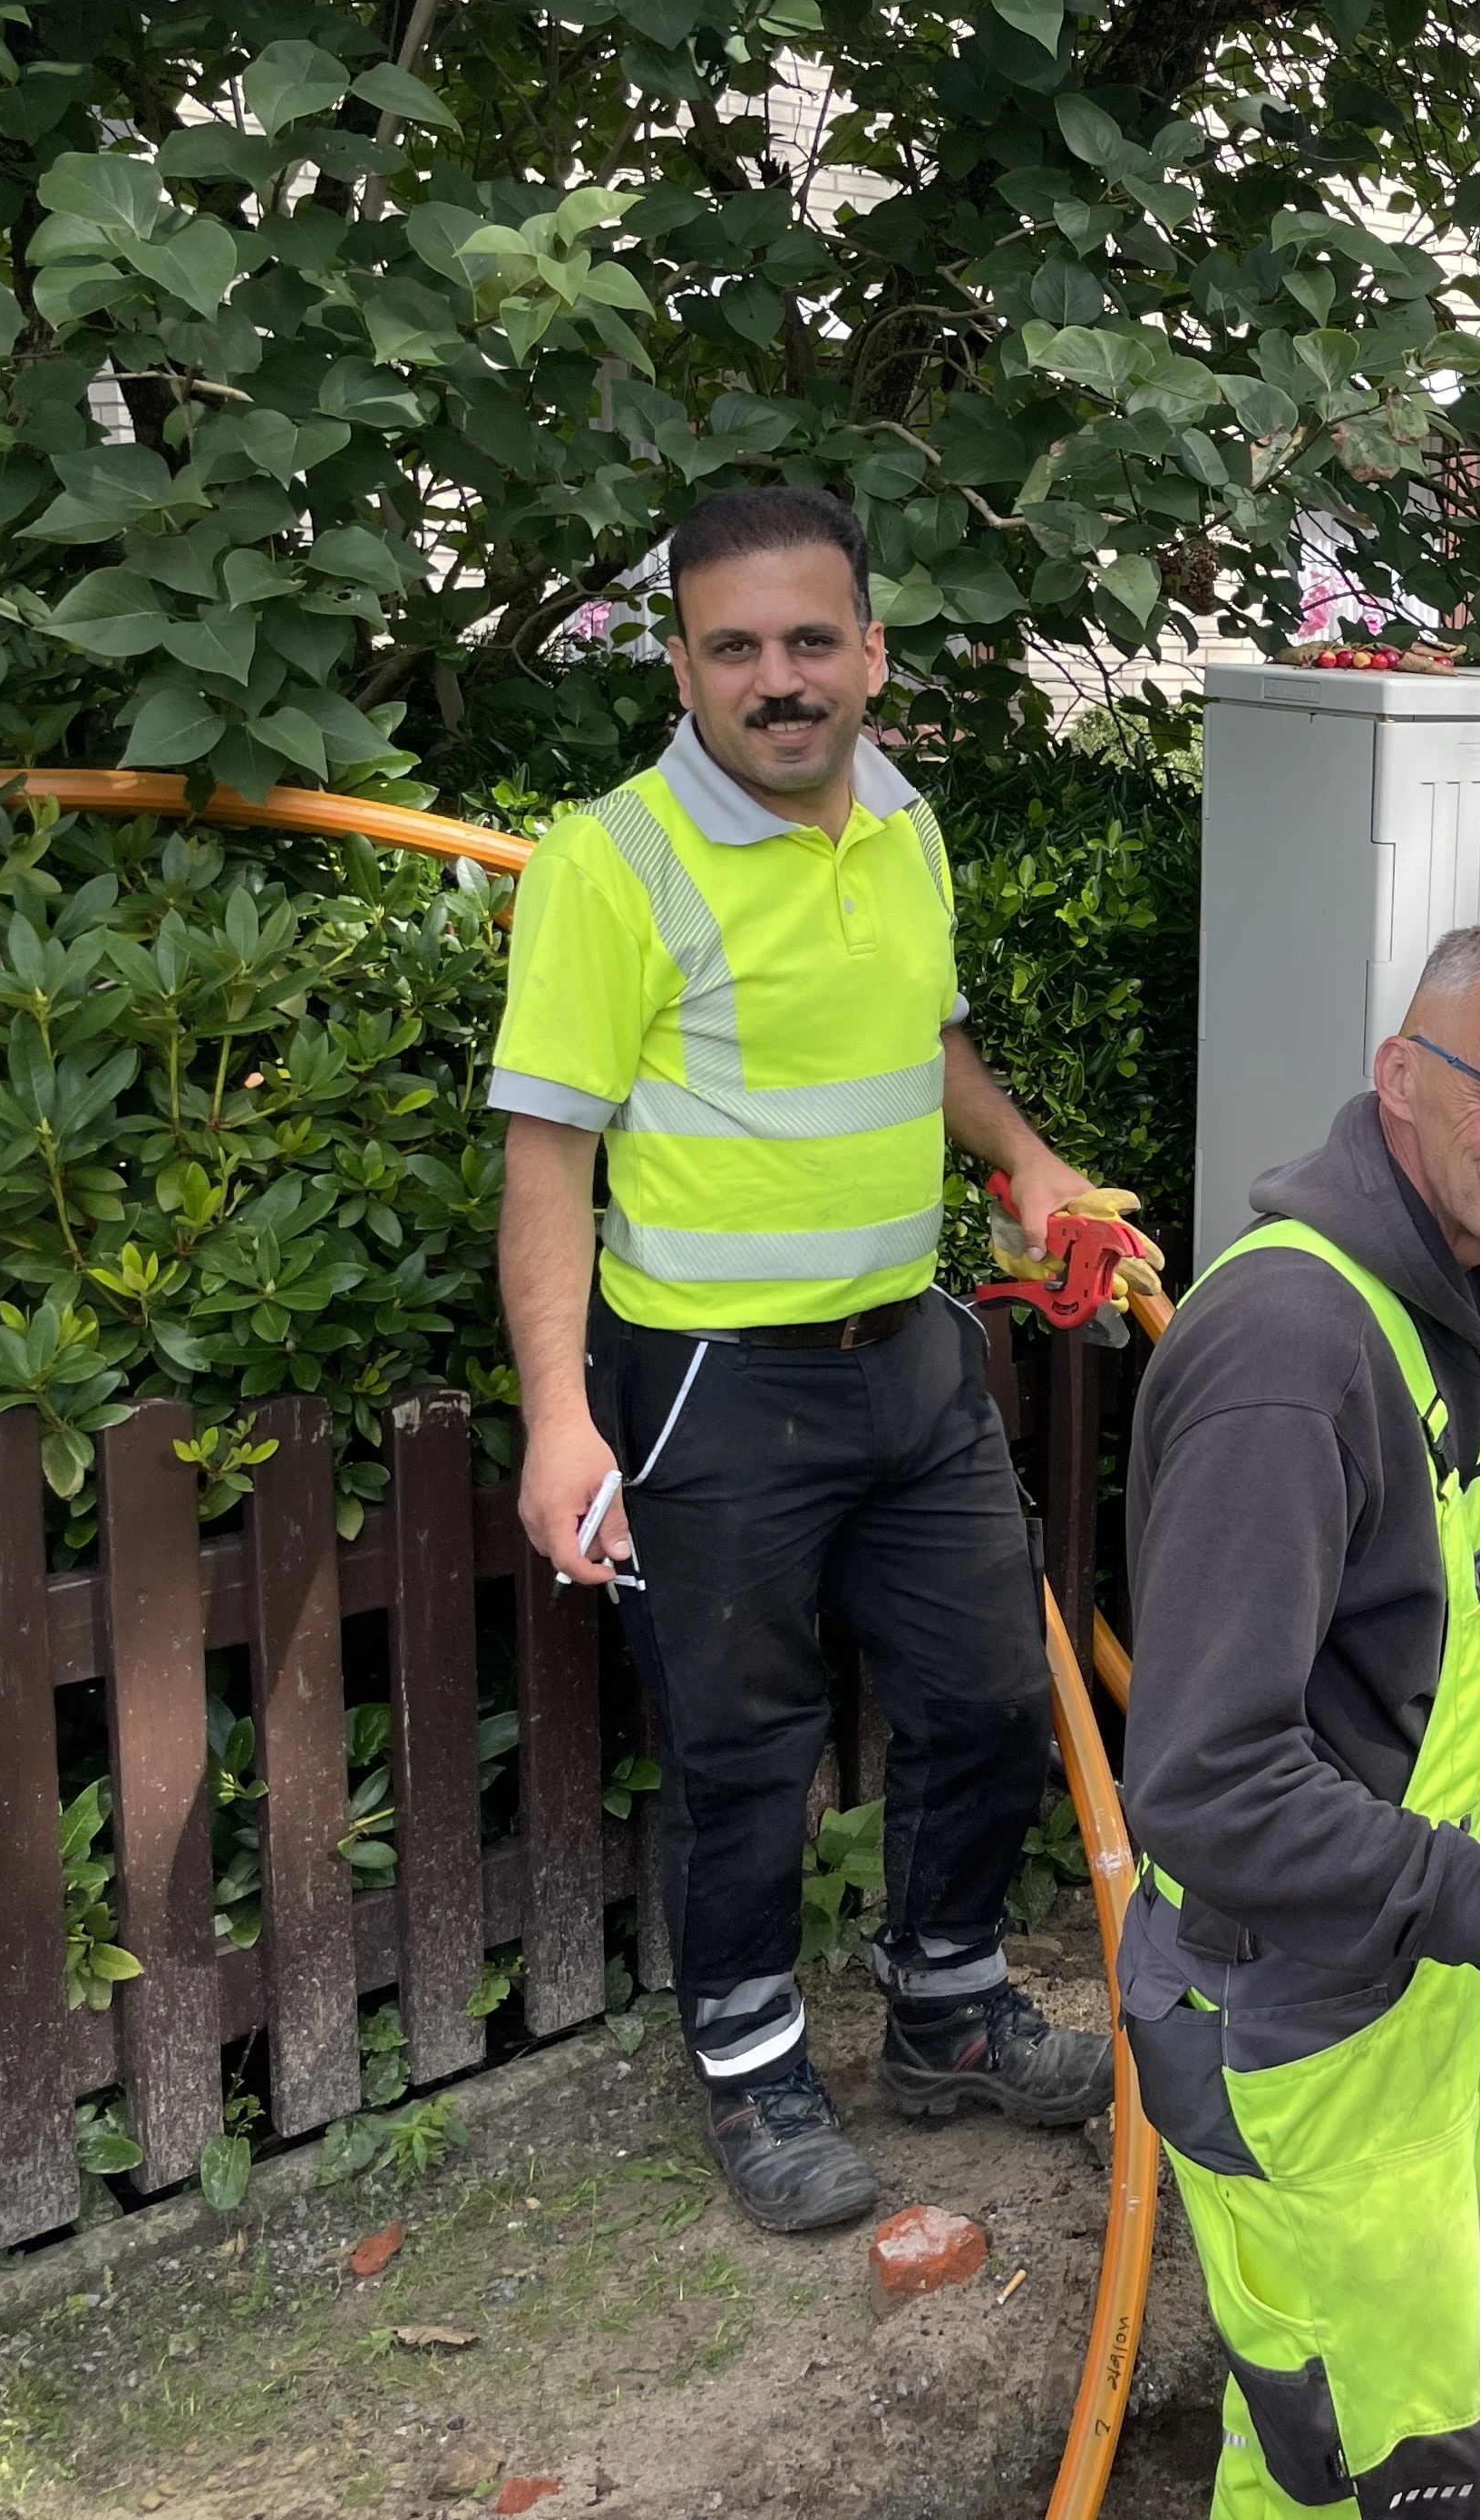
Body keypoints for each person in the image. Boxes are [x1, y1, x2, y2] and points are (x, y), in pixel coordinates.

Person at [490, 482, 1129, 2232]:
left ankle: (944, 2010)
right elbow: (545, 1151)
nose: (781, 679)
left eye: (810, 640)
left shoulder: (904, 820)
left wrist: (1026, 1160)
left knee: (997, 1693)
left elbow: (924, 1042)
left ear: (870, 649)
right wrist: (561, 1420)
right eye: (736, 648)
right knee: (742, 1746)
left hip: (907, 1349)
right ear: (681, 668)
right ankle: (755, 2061)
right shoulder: (610, 862)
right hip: (709, 1380)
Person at [1119, 921, 1480, 2517]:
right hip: (1292, 2029)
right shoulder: (1294, 1358)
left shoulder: (1425, 1306)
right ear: (1400, 1078)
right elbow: (1204, 1784)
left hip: (1386, 2009)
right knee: (1382, 2474)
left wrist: (1468, 1923)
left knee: (1326, 2447)